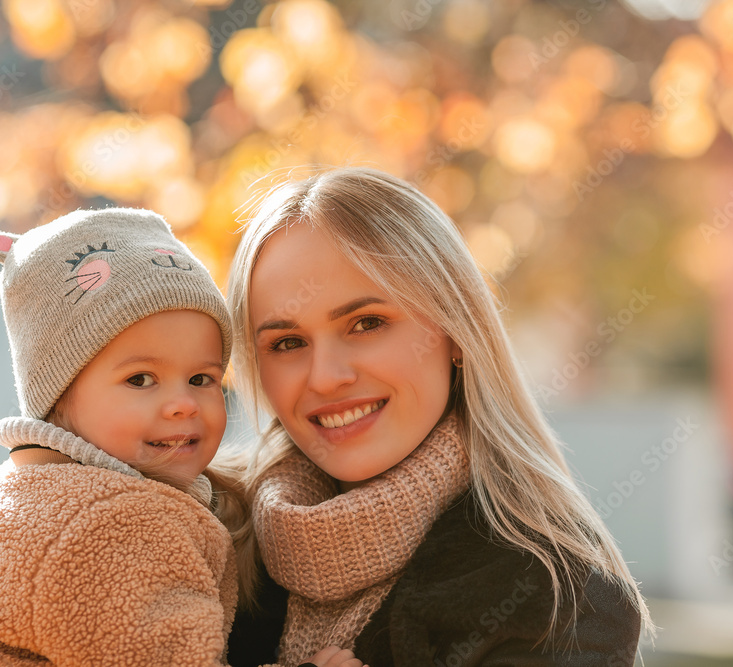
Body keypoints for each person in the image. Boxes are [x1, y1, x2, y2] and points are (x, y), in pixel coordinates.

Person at [225, 167, 653, 666]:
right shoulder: (206, 545)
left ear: (453, 331)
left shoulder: (556, 599)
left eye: (366, 323)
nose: (324, 378)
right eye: (287, 343)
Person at [0, 208, 361, 667]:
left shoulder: (4, 497)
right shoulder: (113, 526)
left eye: (202, 379)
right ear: (59, 398)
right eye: (141, 380)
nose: (183, 404)